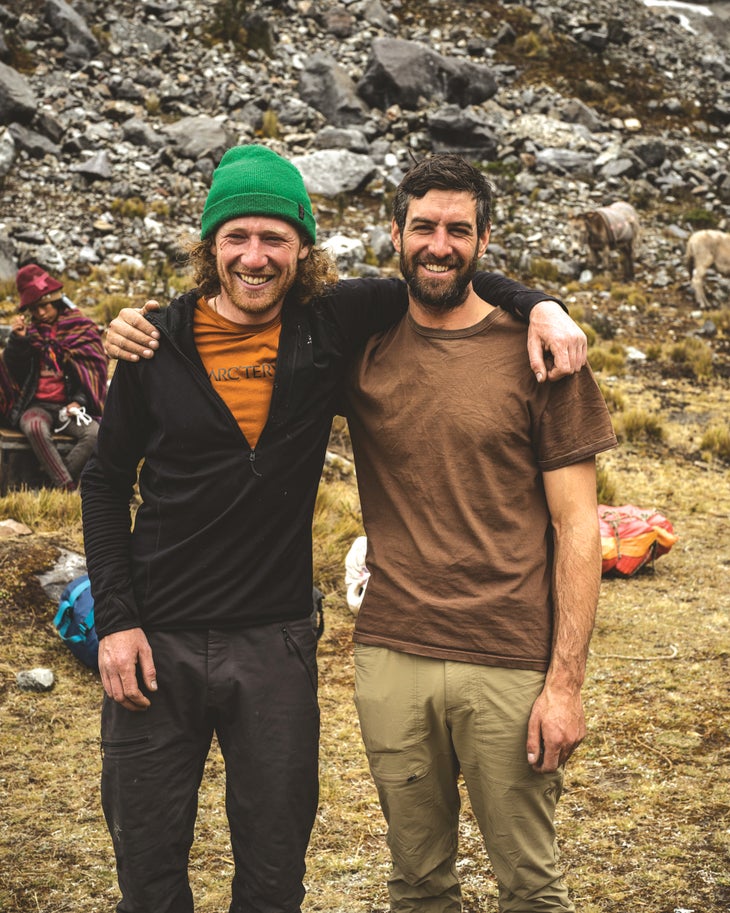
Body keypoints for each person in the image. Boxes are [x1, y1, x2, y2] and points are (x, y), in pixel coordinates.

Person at [84, 144, 587, 913]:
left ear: (303, 248)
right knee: (148, 875)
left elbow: (444, 270)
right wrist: (115, 619)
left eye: (275, 238)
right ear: (209, 244)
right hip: (158, 641)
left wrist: (542, 302)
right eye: (236, 237)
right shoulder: (157, 343)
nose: (255, 257)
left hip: (276, 644)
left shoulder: (332, 326)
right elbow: (104, 480)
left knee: (275, 873)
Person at [345, 154, 617, 912]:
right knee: (417, 881)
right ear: (394, 232)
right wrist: (147, 325)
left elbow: (577, 528)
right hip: (392, 651)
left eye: (458, 229)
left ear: (484, 240)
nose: (440, 244)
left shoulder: (541, 355)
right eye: (423, 226)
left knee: (529, 884)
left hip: (508, 659)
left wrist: (565, 684)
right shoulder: (360, 347)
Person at [2, 264, 107, 490]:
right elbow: (14, 372)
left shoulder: (80, 329)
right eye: (34, 308)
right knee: (34, 427)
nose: (40, 313)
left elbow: (91, 373)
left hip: (68, 407)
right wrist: (18, 341)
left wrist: (79, 401)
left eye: (45, 306)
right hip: (35, 405)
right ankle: (66, 485)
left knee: (94, 434)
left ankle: (51, 485)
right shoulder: (28, 334)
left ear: (56, 301)